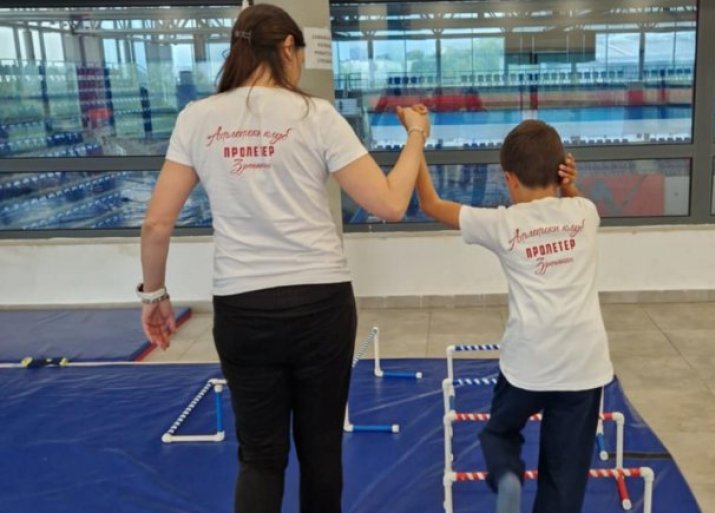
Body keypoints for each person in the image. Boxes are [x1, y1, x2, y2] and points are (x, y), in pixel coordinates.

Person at [137, 5, 430, 513]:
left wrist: (155, 295)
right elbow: (389, 203)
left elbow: (156, 224)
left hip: (243, 310)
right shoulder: (316, 115)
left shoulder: (197, 118)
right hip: (321, 306)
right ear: (288, 48)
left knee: (260, 458)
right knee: (321, 452)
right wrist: (416, 135)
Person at [412, 119, 614, 513]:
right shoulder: (585, 212)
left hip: (528, 362)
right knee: (565, 475)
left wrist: (414, 140)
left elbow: (431, 204)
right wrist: (569, 185)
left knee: (499, 433)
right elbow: (577, 203)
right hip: (584, 363)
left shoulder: (504, 223)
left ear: (509, 179)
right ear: (561, 171)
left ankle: (507, 473)